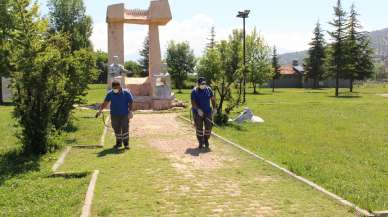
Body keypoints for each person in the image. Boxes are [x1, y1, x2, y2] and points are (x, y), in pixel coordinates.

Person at [97, 80, 134, 150]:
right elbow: (105, 102)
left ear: (120, 86)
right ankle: (119, 143)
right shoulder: (110, 93)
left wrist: (130, 111)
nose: (115, 90)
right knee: (116, 129)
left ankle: (126, 144)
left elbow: (131, 102)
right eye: (114, 88)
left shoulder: (126, 93)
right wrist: (100, 110)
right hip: (114, 115)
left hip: (124, 114)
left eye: (116, 88)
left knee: (125, 129)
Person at [191, 77, 217, 150]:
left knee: (209, 127)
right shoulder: (194, 91)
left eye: (204, 83)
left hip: (208, 112)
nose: (203, 85)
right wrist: (198, 110)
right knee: (199, 128)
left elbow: (213, 99)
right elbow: (193, 103)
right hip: (198, 113)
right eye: (202, 84)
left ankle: (206, 140)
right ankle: (200, 142)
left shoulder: (209, 90)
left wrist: (214, 108)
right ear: (198, 84)